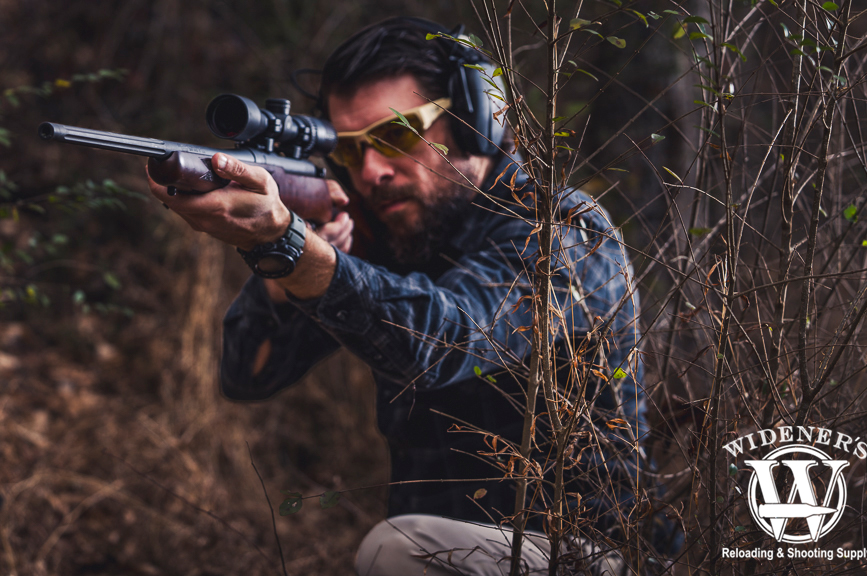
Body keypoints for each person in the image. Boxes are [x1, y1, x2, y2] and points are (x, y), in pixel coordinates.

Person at [148, 17, 646, 576]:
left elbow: (447, 337)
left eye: (397, 135)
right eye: (352, 149)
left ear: (474, 119)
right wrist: (282, 258)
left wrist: (297, 250)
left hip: (589, 554)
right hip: (441, 552)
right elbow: (247, 374)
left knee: (396, 548)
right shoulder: (389, 234)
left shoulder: (563, 228)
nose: (372, 171)